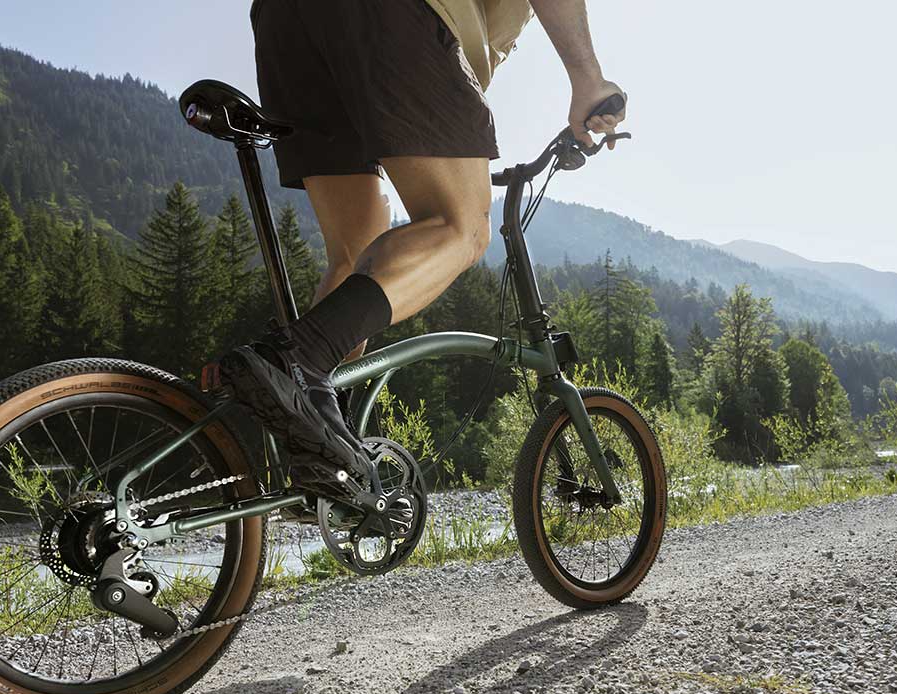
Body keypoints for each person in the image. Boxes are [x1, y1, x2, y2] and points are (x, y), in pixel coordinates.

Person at [219, 0, 626, 502]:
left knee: (355, 255)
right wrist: (588, 78)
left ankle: (317, 457)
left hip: (286, 20)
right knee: (462, 228)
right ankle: (299, 358)